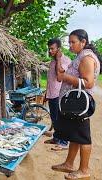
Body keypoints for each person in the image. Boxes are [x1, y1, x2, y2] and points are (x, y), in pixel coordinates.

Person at [51, 29, 100, 179]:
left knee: (83, 137)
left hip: (79, 104)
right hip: (74, 104)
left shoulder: (86, 57)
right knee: (75, 135)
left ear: (83, 42)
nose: (70, 45)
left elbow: (88, 83)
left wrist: (65, 77)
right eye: (69, 42)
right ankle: (69, 163)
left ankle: (84, 170)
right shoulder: (80, 56)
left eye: (73, 42)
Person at [44, 38, 71, 151]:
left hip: (60, 95)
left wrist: (59, 58)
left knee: (61, 119)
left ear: (58, 49)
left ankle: (64, 142)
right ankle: (56, 138)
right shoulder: (52, 61)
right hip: (51, 94)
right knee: (54, 118)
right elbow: (50, 79)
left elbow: (60, 77)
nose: (50, 51)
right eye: (49, 49)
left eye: (52, 49)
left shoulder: (65, 60)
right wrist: (46, 93)